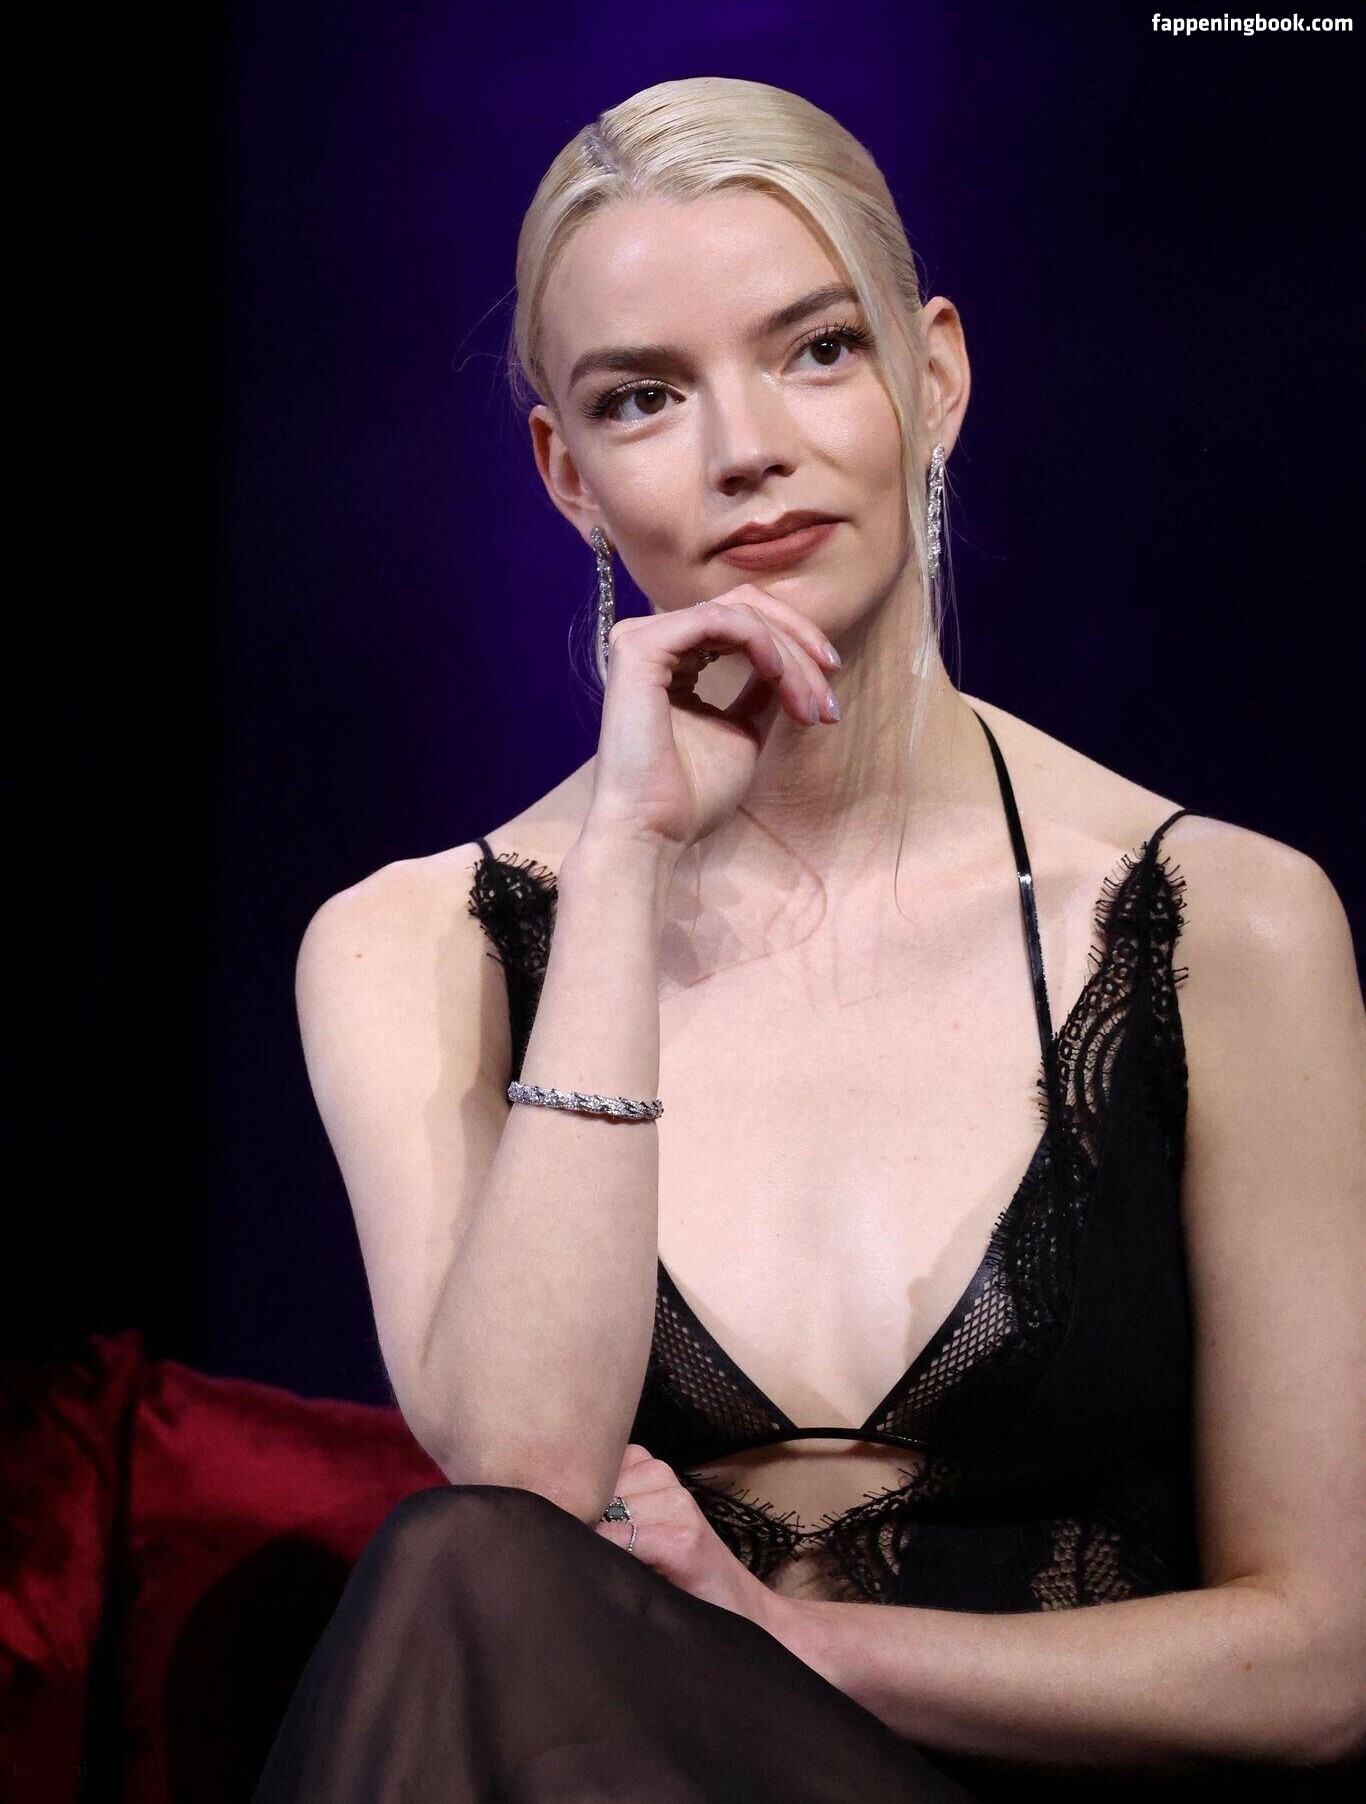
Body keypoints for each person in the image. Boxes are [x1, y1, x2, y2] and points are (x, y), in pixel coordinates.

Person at [252, 76, 1364, 1802]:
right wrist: (624, 860)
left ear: (936, 376)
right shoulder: (412, 945)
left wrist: (793, 1645)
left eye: (816, 350)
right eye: (642, 396)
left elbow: (1322, 1662)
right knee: (462, 1565)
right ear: (564, 474)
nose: (743, 447)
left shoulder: (1226, 921)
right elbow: (523, 1493)